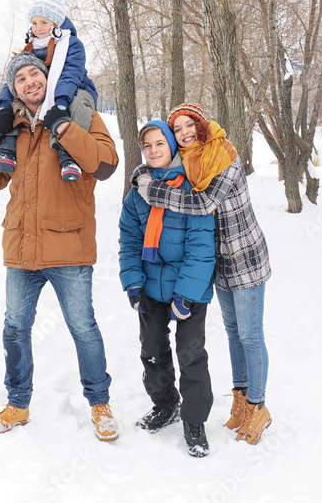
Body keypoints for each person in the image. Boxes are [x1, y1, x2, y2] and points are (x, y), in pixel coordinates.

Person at [0, 51, 119, 441]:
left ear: (47, 78)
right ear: (13, 89)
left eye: (33, 74)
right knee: (14, 328)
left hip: (68, 246)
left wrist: (64, 126)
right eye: (19, 78)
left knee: (82, 328)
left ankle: (100, 404)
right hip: (22, 248)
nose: (28, 82)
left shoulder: (79, 112)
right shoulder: (14, 126)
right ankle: (18, 405)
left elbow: (105, 164)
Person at [134, 103, 273, 445]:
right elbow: (162, 167)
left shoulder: (222, 154)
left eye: (188, 125)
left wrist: (152, 191)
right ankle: (240, 399)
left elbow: (200, 204)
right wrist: (144, 174)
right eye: (176, 129)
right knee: (232, 332)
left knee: (250, 335)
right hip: (220, 262)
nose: (183, 133)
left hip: (245, 259)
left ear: (201, 124)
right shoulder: (192, 161)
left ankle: (258, 406)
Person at [119, 121, 216, 457]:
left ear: (172, 146)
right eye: (147, 146)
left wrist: (186, 294)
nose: (154, 150)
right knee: (153, 351)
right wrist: (132, 283)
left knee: (191, 356)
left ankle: (194, 421)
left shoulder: (192, 188)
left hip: (190, 289)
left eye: (160, 143)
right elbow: (128, 241)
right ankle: (165, 405)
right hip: (150, 287)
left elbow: (201, 247)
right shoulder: (137, 192)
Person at [0, 0, 97, 181]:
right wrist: (3, 105)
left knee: (78, 105)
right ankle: (6, 150)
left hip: (74, 88)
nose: (38, 28)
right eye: (34, 22)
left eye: (44, 23)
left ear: (56, 24)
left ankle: (68, 155)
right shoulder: (30, 47)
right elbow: (15, 77)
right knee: (16, 106)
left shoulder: (71, 44)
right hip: (44, 91)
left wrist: (62, 100)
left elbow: (71, 73)